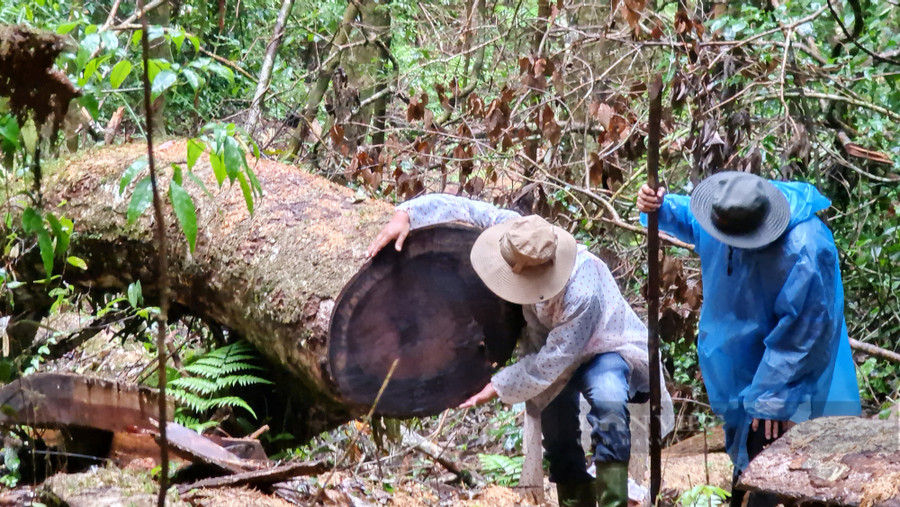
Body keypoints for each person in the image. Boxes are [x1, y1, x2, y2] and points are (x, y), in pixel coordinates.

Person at [367, 194, 673, 507]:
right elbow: (465, 208)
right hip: (550, 349)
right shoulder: (518, 236)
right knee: (558, 430)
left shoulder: (582, 291)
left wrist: (497, 386)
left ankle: (614, 501)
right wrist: (407, 214)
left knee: (609, 401)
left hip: (604, 346)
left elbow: (555, 361)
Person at [636, 172, 861, 507]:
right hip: (739, 359)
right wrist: (659, 206)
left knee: (775, 450)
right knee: (749, 449)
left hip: (793, 368)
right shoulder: (725, 218)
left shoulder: (807, 247)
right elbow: (690, 217)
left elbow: (807, 334)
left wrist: (774, 396)